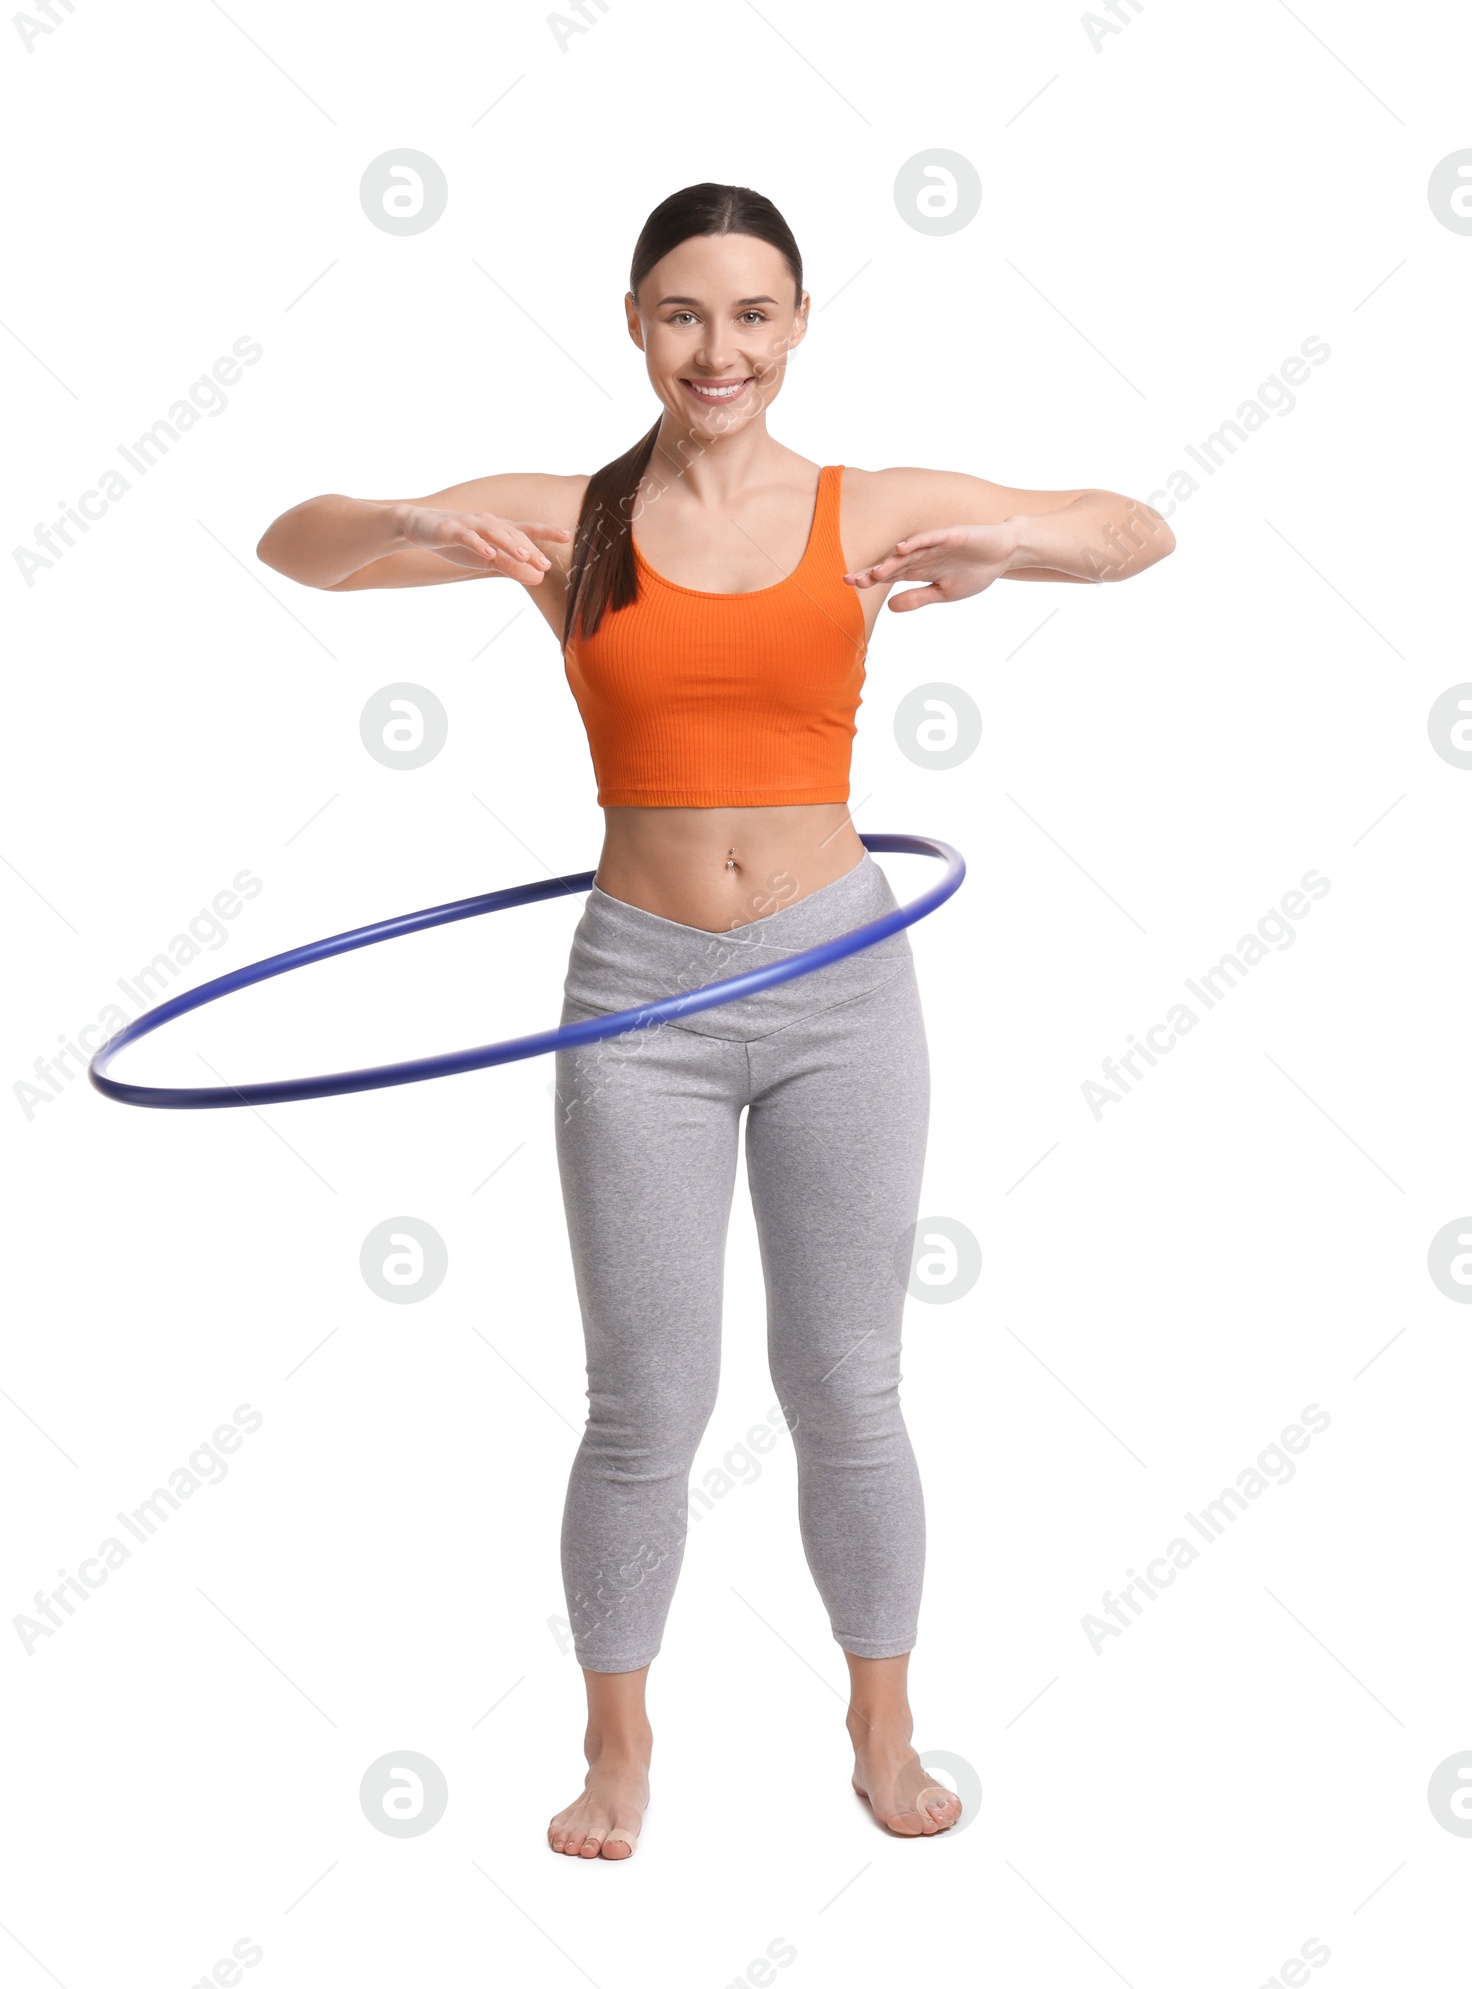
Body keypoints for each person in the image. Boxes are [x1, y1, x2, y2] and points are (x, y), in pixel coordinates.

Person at [257, 181, 1174, 1860]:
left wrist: (1008, 543)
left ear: (801, 324)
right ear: (635, 325)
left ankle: (880, 1725)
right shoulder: (568, 515)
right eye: (685, 312)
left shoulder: (865, 504)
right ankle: (619, 1754)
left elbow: (1137, 527)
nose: (720, 347)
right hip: (639, 995)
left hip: (838, 979)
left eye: (753, 314)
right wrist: (411, 520)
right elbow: (292, 545)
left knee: (848, 1380)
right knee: (645, 1401)